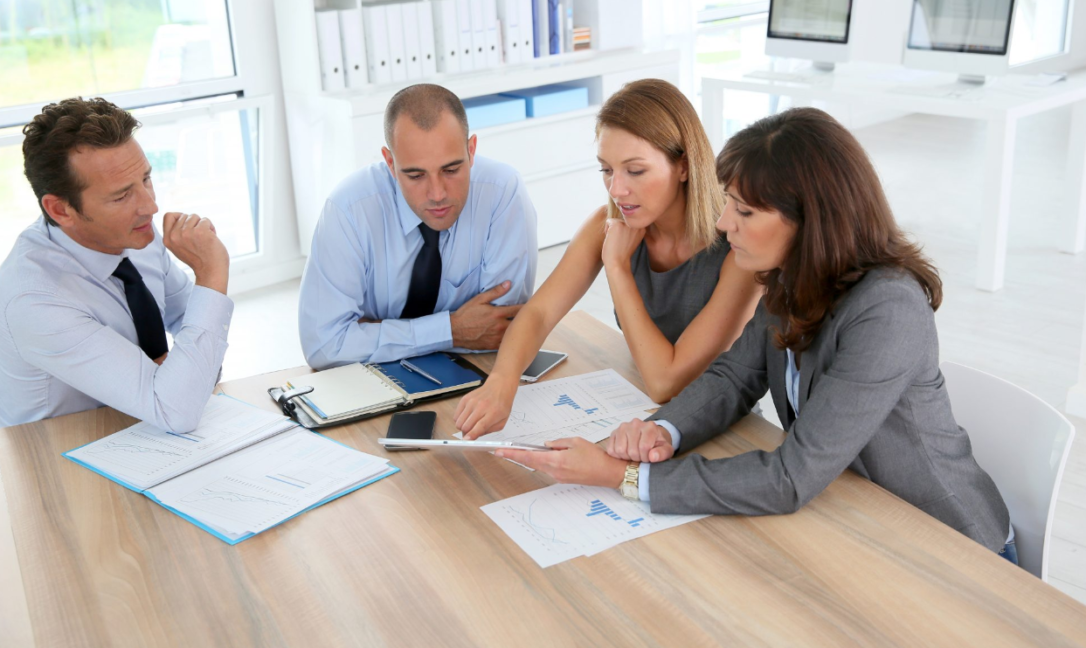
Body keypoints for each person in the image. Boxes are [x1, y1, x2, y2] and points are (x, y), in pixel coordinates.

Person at [497, 107, 1015, 561]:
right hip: (856, 516)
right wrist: (662, 432)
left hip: (951, 548)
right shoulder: (791, 277)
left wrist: (623, 477)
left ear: (811, 219)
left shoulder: (888, 310)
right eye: (729, 203)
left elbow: (790, 478)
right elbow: (733, 378)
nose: (724, 224)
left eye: (744, 210)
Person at [455, 79, 762, 439]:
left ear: (683, 166)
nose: (617, 189)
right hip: (639, 407)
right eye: (607, 169)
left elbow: (666, 382)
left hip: (720, 426)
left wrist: (617, 269)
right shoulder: (608, 222)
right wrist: (501, 383)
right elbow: (538, 313)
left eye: (635, 171)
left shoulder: (738, 246)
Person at [0, 97, 233, 432]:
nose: (150, 207)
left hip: (140, 427)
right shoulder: (34, 300)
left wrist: (183, 374)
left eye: (147, 179)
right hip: (59, 449)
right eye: (122, 196)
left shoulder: (136, 234)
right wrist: (211, 274)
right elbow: (176, 409)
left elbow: (192, 326)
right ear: (61, 210)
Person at [298, 83, 537, 369]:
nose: (437, 194)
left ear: (471, 150)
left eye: (451, 170)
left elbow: (498, 329)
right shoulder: (348, 209)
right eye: (415, 175)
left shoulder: (502, 191)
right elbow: (324, 347)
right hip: (374, 382)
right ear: (389, 162)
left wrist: (373, 331)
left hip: (475, 373)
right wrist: (452, 329)